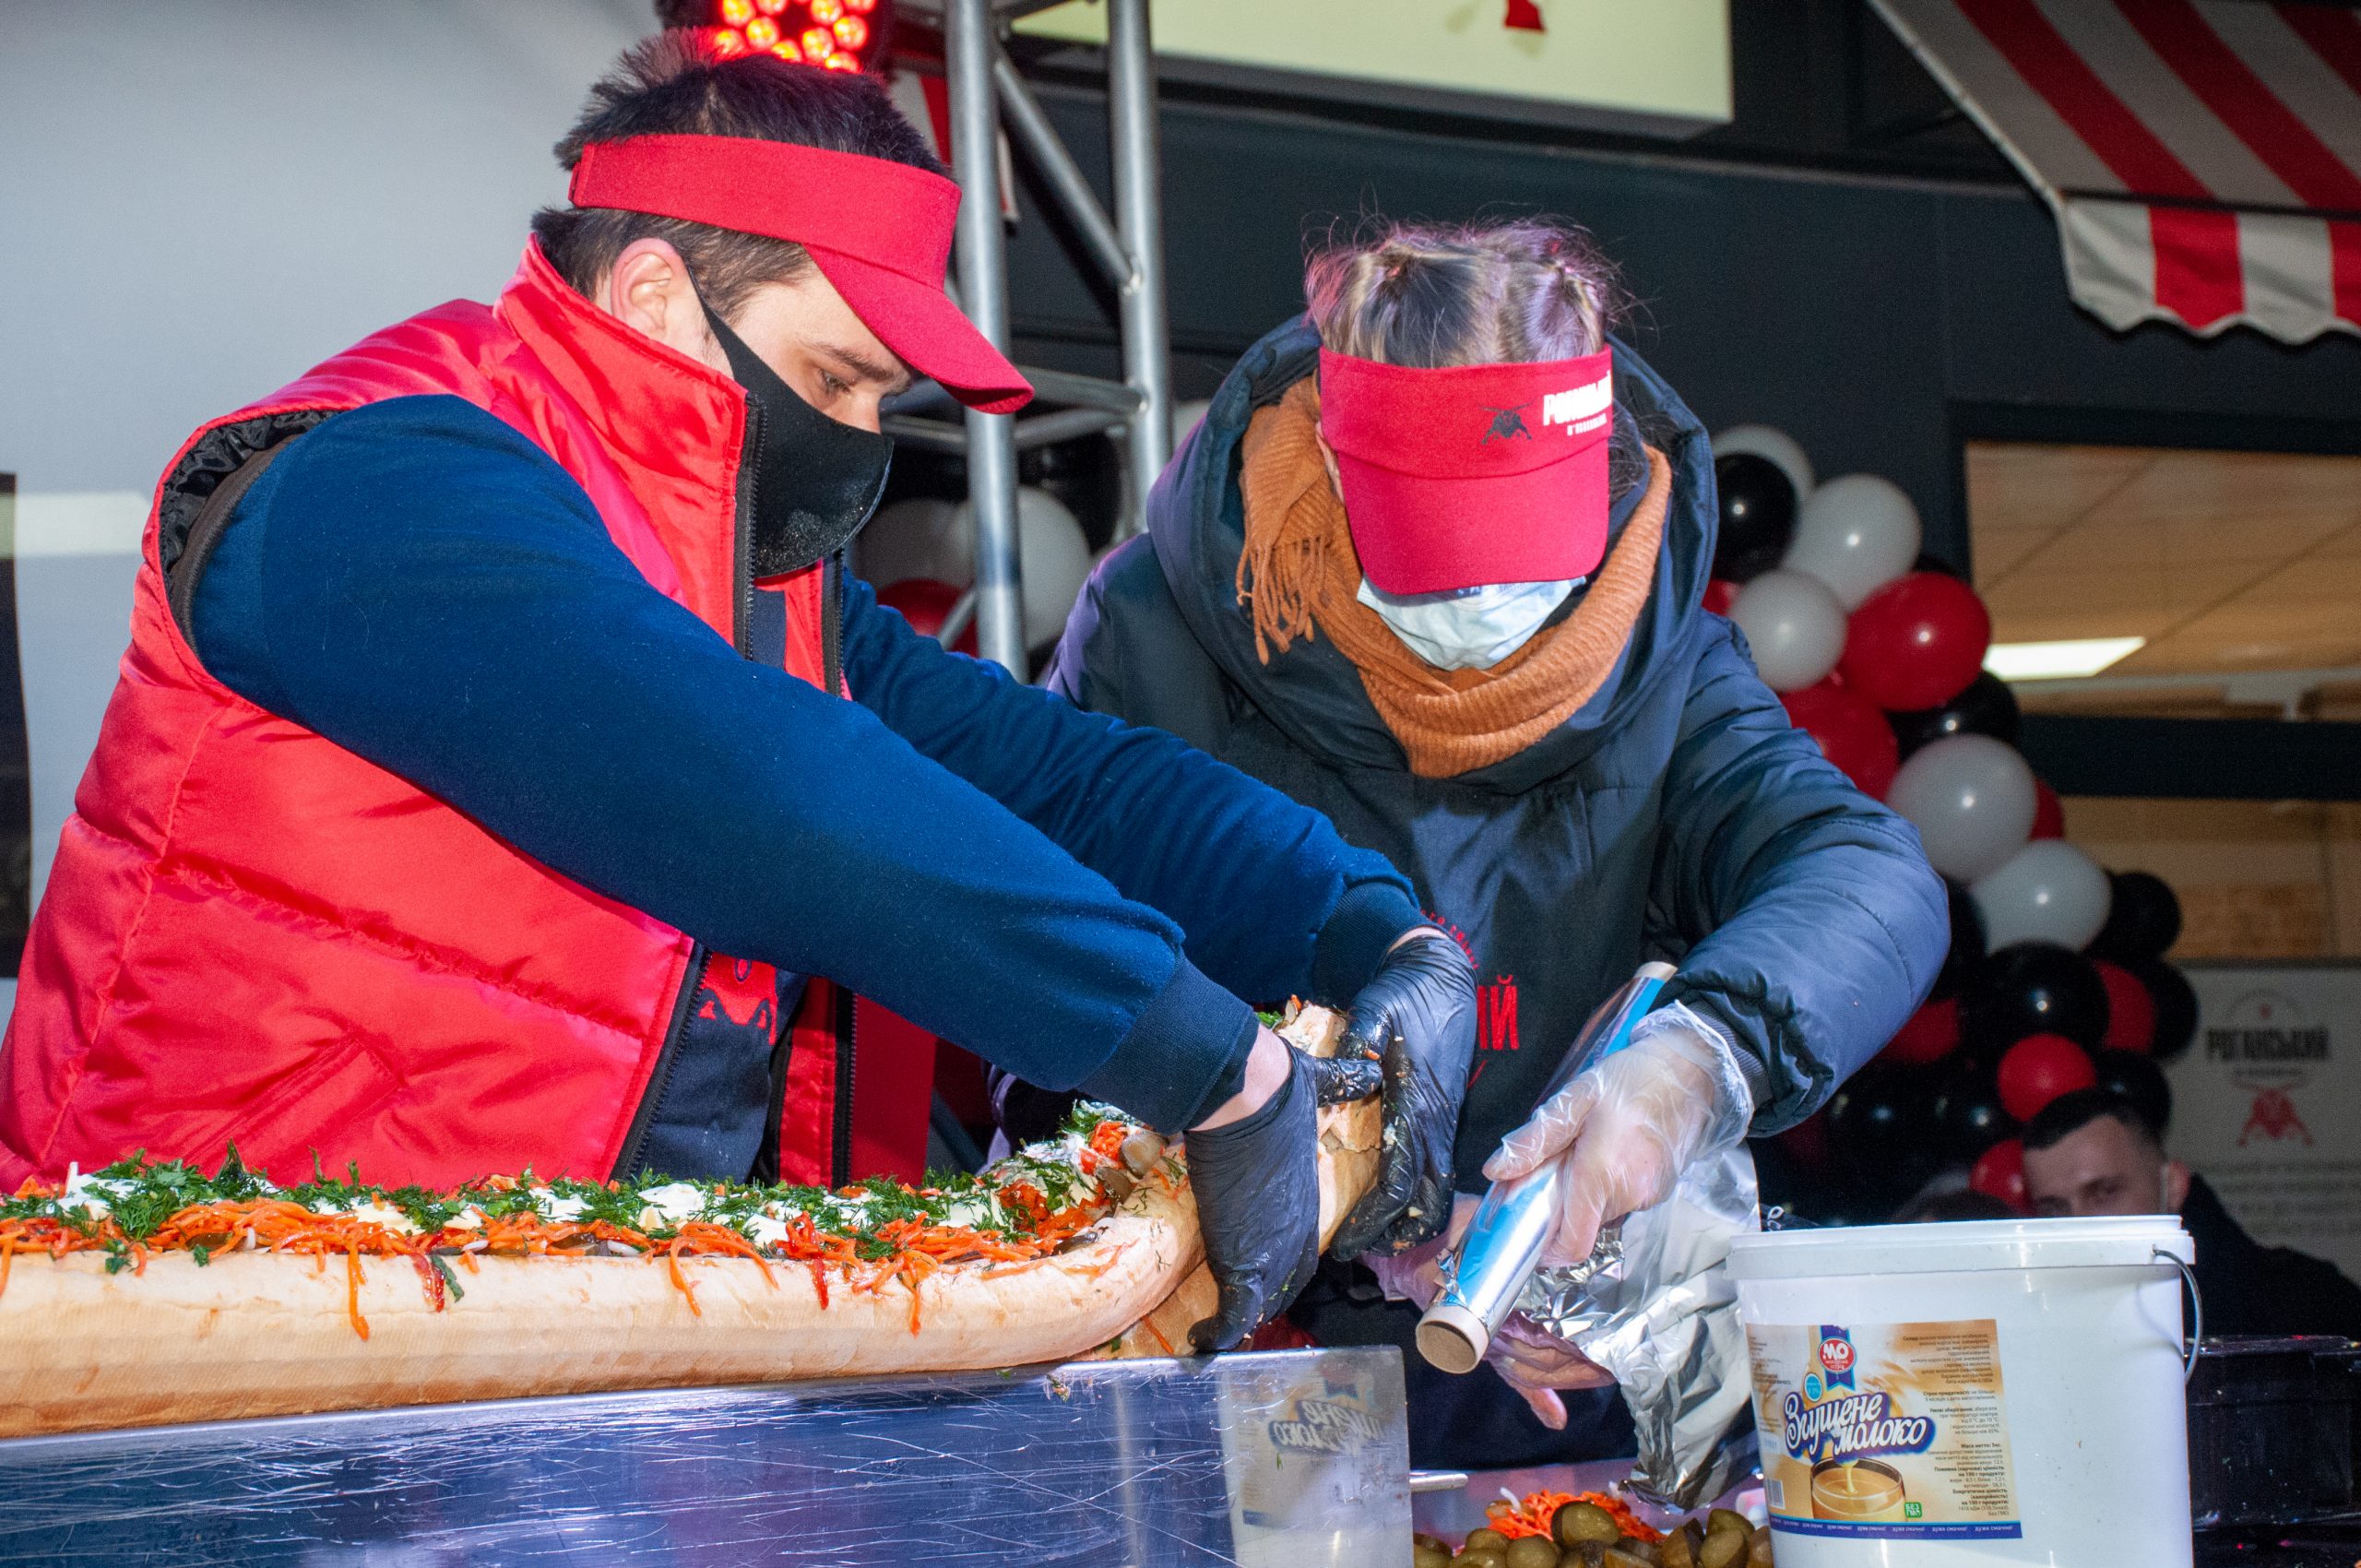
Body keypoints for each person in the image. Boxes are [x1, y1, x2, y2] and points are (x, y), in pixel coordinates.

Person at [0, 38, 1482, 1354]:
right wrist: (1217, 1065)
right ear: (655, 291)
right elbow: (761, 797)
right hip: (190, 1341)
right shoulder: (369, 485)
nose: (855, 441)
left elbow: (1046, 773)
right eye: (834, 380)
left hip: (532, 1343)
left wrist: (1368, 928)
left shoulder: (760, 594)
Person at [1043, 218, 1948, 1466]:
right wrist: (1344, 1191)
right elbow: (1050, 963)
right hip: (1225, 1332)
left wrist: (1697, 1066)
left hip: (1537, 1341)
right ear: (1339, 481)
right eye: (1443, 574)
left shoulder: (1662, 645)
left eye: (1530, 576)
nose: (1490, 622)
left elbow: (1864, 876)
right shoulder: (1159, 632)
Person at [2023, 1087, 2361, 1339]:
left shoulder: (2310, 1307)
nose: (2078, 1226)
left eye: (2105, 1192)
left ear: (2172, 1185)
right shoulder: (2032, 1321)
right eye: (2054, 1209)